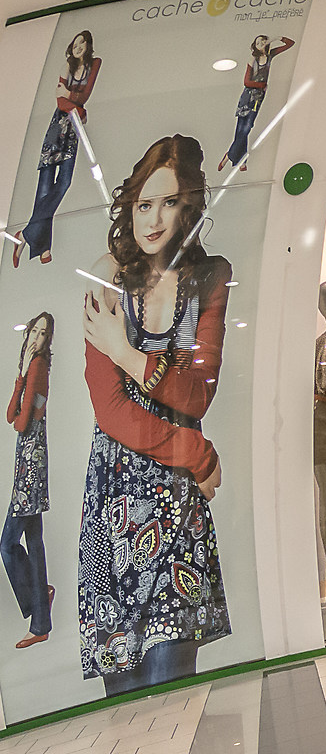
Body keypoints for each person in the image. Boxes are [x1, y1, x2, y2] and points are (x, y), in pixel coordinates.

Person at [79, 133, 232, 695]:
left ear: (188, 206)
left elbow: (197, 394)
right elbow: (110, 408)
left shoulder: (208, 279)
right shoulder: (108, 277)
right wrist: (197, 451)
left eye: (169, 202)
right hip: (115, 503)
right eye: (144, 202)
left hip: (174, 511)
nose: (154, 218)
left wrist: (126, 352)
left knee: (174, 692)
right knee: (123, 705)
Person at [18, 31, 99, 268]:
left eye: (82, 43)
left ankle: (25, 234)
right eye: (75, 43)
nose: (78, 47)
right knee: (44, 186)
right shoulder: (67, 65)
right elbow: (60, 101)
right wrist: (79, 108)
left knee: (63, 182)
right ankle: (44, 246)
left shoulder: (94, 64)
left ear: (88, 46)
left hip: (72, 127)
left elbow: (84, 95)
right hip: (59, 124)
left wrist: (74, 101)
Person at [5, 314, 53, 647]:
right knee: (33, 543)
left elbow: (21, 424)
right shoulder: (30, 369)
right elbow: (11, 414)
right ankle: (41, 623)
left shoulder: (37, 367)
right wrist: (19, 381)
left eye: (44, 333)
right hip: (29, 464)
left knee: (7, 545)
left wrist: (24, 379)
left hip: (30, 470)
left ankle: (37, 604)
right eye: (35, 330)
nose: (38, 337)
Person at [219, 34, 295, 172]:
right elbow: (246, 82)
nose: (261, 43)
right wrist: (262, 85)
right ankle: (239, 160)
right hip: (247, 96)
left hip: (258, 98)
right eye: (258, 41)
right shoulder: (253, 59)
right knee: (243, 128)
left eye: (263, 41)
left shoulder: (270, 55)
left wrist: (276, 38)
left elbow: (290, 44)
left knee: (247, 128)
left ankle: (230, 156)